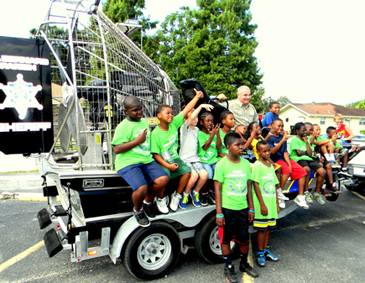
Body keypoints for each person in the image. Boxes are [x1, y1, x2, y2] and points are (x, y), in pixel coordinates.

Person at [112, 96, 169, 227]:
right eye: (135, 110)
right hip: (128, 161)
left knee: (163, 180)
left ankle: (148, 202)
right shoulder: (123, 127)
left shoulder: (143, 122)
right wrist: (138, 141)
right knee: (141, 188)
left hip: (146, 159)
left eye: (140, 109)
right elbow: (117, 149)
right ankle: (138, 210)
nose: (139, 112)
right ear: (126, 111)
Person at [214, 132, 258, 281]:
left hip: (242, 208)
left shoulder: (246, 164)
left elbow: (248, 186)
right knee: (226, 240)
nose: (241, 147)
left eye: (241, 144)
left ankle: (243, 263)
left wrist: (251, 207)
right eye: (237, 145)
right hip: (227, 209)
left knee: (244, 238)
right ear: (228, 147)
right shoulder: (221, 165)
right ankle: (229, 266)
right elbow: (218, 189)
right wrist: (219, 213)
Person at [151, 89, 203, 212]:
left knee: (186, 171)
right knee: (164, 175)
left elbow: (185, 110)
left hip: (175, 158)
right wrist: (168, 166)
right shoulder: (155, 133)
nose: (170, 115)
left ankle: (177, 196)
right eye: (167, 113)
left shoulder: (174, 123)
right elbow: (155, 154)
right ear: (159, 116)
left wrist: (197, 97)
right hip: (162, 161)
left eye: (171, 113)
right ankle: (161, 198)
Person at [267, 118, 307, 209]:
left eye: (282, 126)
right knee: (286, 171)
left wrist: (289, 164)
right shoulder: (271, 138)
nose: (281, 128)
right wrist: (282, 140)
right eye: (278, 126)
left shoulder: (282, 137)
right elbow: (272, 152)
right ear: (272, 126)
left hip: (284, 159)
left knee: (302, 171)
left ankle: (300, 197)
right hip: (275, 159)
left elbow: (285, 152)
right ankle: (279, 194)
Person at [178, 104, 213, 209]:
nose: (195, 119)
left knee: (204, 175)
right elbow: (191, 117)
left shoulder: (197, 130)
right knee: (193, 177)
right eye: (194, 116)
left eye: (197, 117)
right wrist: (201, 106)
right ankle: (185, 194)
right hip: (185, 160)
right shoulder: (184, 128)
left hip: (195, 159)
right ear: (186, 119)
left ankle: (195, 192)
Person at [251, 140, 280, 268]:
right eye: (264, 151)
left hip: (271, 203)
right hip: (262, 204)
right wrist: (262, 204)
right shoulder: (257, 165)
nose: (268, 153)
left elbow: (274, 186)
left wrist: (277, 203)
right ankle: (260, 252)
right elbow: (255, 184)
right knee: (261, 230)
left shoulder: (270, 166)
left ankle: (266, 249)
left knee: (268, 229)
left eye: (268, 150)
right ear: (258, 152)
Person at [290, 122, 326, 206]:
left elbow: (310, 154)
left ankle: (316, 192)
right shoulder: (295, 140)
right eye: (303, 130)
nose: (305, 132)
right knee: (307, 170)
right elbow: (298, 153)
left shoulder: (307, 140)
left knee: (322, 171)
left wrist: (306, 142)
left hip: (308, 158)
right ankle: (306, 192)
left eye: (306, 130)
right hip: (297, 159)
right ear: (297, 131)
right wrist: (306, 152)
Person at [198, 112, 222, 205]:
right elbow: (205, 147)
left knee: (218, 172)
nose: (210, 123)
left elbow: (219, 147)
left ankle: (212, 191)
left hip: (213, 159)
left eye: (212, 121)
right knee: (209, 174)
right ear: (201, 122)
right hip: (204, 160)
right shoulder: (200, 134)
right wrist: (212, 135)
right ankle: (204, 193)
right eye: (207, 120)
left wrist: (218, 134)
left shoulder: (214, 134)